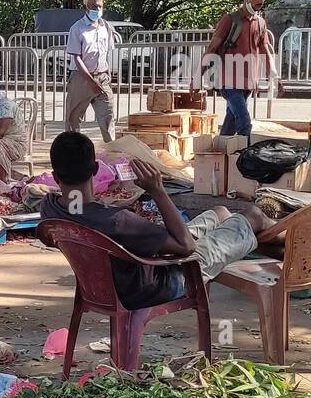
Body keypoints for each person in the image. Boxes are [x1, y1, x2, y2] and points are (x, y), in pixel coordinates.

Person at [41, 131, 276, 308]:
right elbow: (186, 247)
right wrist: (157, 190)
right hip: (163, 281)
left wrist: (101, 207)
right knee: (253, 216)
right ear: (95, 169)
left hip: (109, 284)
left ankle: (288, 243)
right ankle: (295, 240)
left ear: (55, 176)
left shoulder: (49, 209)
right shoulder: (117, 221)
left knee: (222, 213)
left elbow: (82, 212)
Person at [201, 0, 276, 141]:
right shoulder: (230, 20)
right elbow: (212, 48)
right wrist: (197, 76)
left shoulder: (261, 23)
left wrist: (274, 77)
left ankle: (218, 158)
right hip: (228, 81)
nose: (260, 2)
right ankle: (245, 161)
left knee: (230, 123)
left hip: (248, 82)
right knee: (245, 123)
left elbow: (265, 51)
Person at [65, 0, 119, 142]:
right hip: (81, 79)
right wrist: (90, 81)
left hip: (102, 77)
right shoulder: (77, 28)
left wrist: (107, 75)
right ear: (86, 8)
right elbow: (76, 57)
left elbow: (106, 53)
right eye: (93, 7)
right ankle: (73, 154)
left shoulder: (106, 27)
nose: (97, 10)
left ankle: (112, 154)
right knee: (73, 120)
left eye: (99, 6)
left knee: (108, 117)